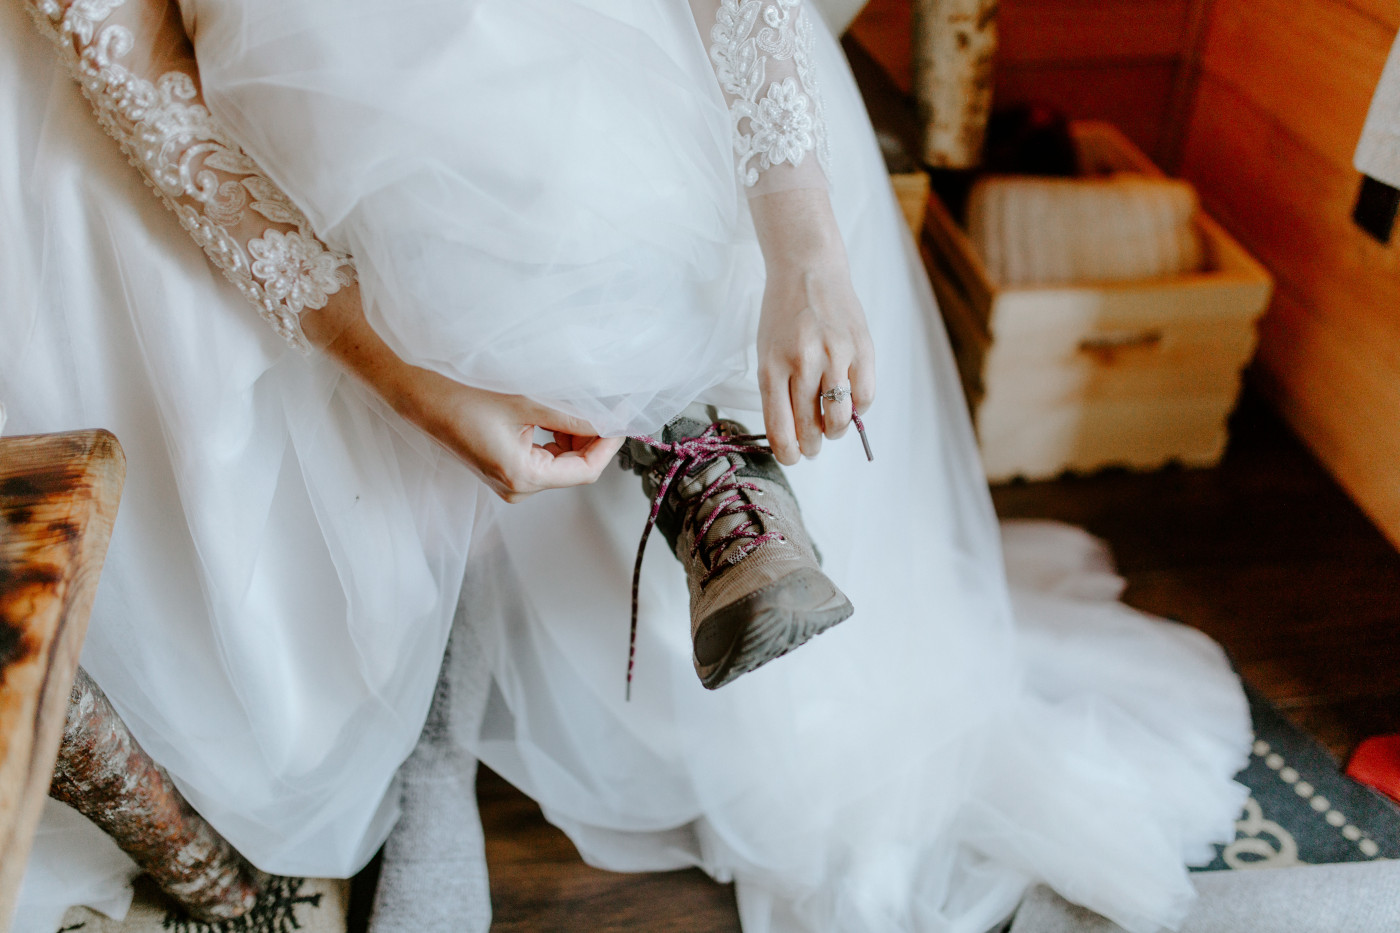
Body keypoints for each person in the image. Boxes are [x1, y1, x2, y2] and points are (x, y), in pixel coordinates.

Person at [3, 1, 1252, 931]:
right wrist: (399, 374)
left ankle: (677, 433)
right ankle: (454, 705)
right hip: (224, 79)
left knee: (536, 94)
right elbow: (140, 74)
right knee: (348, 75)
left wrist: (804, 250)